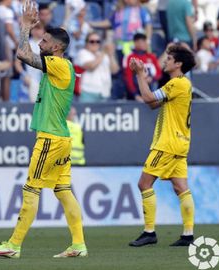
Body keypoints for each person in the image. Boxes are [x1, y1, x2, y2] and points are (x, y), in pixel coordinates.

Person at [0, 0, 86, 258]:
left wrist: (24, 28)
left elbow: (23, 54)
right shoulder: (60, 66)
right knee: (63, 190)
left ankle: (14, 245)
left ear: (56, 47)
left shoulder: (59, 64)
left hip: (50, 139)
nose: (39, 44)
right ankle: (79, 244)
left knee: (31, 188)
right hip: (60, 137)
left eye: (44, 42)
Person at [128, 44, 196, 247]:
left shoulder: (177, 83)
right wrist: (141, 77)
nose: (165, 61)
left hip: (167, 143)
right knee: (181, 187)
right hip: (181, 143)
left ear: (178, 64)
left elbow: (148, 97)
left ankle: (149, 232)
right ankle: (188, 235)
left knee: (144, 184)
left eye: (169, 58)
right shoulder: (181, 85)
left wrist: (140, 74)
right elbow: (152, 104)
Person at [75, 32, 119, 102]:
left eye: (98, 41)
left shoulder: (103, 54)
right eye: (92, 41)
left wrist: (111, 55)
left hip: (104, 93)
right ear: (86, 43)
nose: (95, 44)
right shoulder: (82, 53)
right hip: (88, 93)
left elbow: (115, 70)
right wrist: (104, 52)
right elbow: (91, 67)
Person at [123, 33, 162, 101]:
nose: (143, 44)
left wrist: (152, 79)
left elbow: (159, 74)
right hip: (137, 90)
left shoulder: (152, 57)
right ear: (135, 43)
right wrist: (135, 95)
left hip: (152, 88)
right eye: (140, 41)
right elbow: (128, 77)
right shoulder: (130, 57)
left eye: (144, 41)